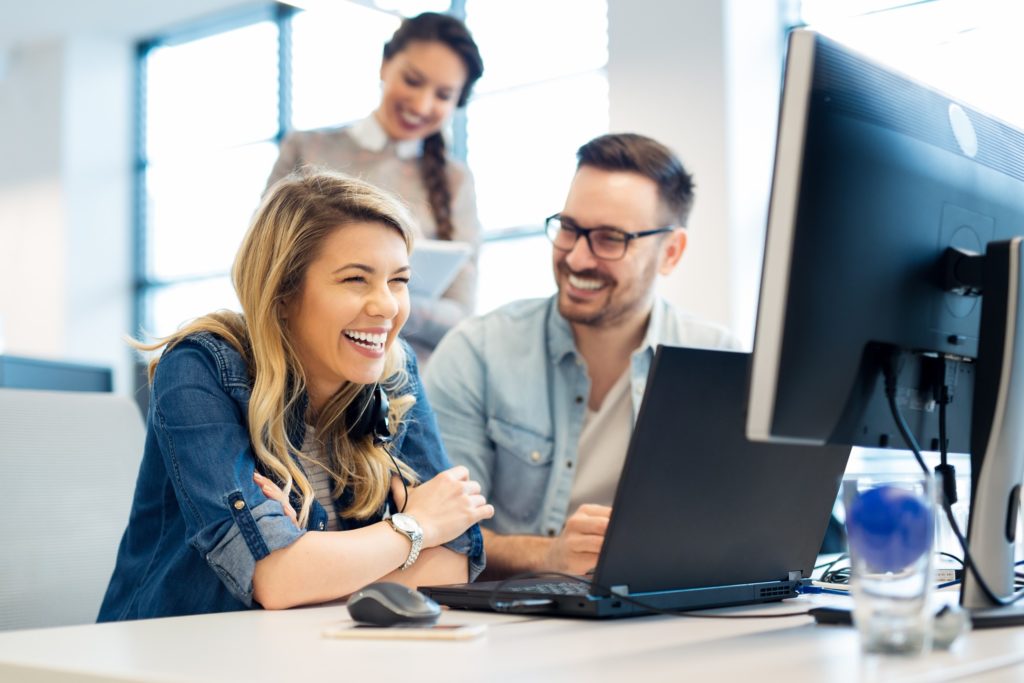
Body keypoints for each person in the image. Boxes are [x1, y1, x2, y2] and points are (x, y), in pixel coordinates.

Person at [98, 170, 493, 621]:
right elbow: (278, 579)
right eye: (356, 280)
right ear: (283, 292)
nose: (386, 305)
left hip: (308, 652)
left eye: (398, 280)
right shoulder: (199, 367)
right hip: (169, 653)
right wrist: (415, 525)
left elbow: (454, 562)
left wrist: (313, 560)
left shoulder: (392, 372)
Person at [423, 133, 740, 579]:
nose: (577, 256)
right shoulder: (476, 352)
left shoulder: (721, 363)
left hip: (667, 617)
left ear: (670, 252)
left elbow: (746, 532)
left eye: (610, 239)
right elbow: (440, 532)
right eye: (569, 228)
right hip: (514, 628)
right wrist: (548, 555)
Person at [266, 12, 484, 360]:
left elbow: (461, 315)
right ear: (385, 65)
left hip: (408, 383)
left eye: (443, 95)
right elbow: (264, 269)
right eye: (413, 81)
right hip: (304, 367)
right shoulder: (307, 150)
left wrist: (373, 296)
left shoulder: (455, 182)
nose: (422, 104)